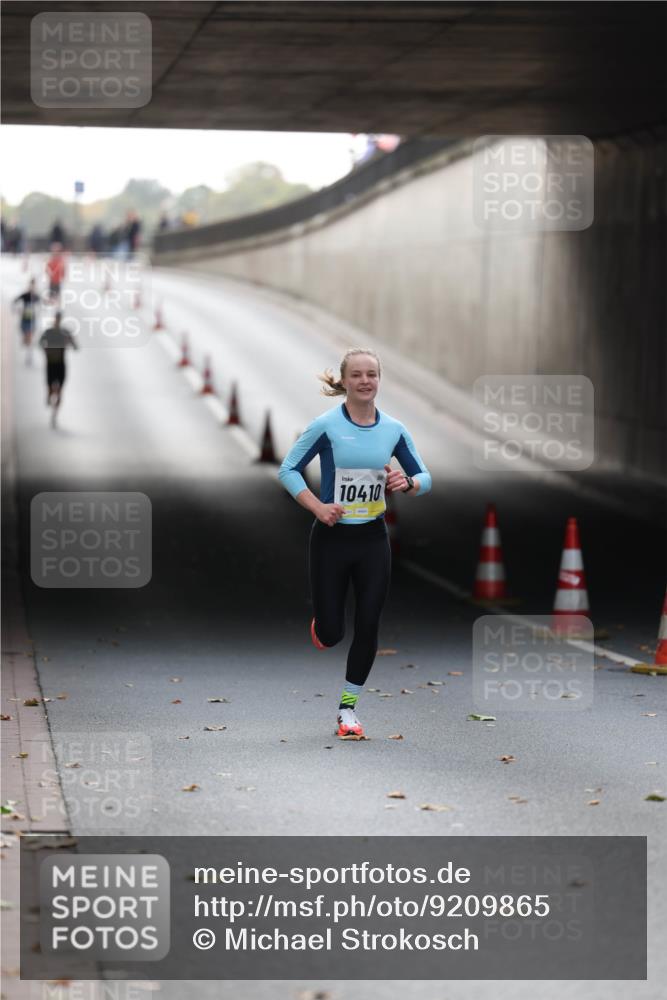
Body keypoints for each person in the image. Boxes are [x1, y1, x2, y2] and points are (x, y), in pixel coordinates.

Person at [279, 348, 431, 740]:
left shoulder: (394, 429)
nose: (365, 381)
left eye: (372, 375)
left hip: (372, 540)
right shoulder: (326, 425)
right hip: (331, 539)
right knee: (333, 633)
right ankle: (323, 627)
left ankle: (348, 710)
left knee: (368, 622)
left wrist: (408, 483)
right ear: (344, 381)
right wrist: (318, 507)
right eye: (357, 375)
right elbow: (289, 469)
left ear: (380, 380)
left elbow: (423, 476)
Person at [39, 311, 78, 426]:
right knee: (51, 388)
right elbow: (40, 343)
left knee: (60, 390)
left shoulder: (65, 332)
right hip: (51, 364)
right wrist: (46, 350)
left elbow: (76, 347)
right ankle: (49, 395)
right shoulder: (49, 332)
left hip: (60, 365)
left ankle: (54, 414)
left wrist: (69, 342)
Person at [13, 278, 41, 362]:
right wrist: (17, 310)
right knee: (25, 333)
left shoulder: (36, 296)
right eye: (31, 286)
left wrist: (38, 311)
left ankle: (29, 354)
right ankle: (26, 341)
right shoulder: (25, 295)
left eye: (34, 286)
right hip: (24, 319)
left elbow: (41, 304)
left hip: (32, 320)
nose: (32, 288)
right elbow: (15, 301)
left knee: (30, 336)